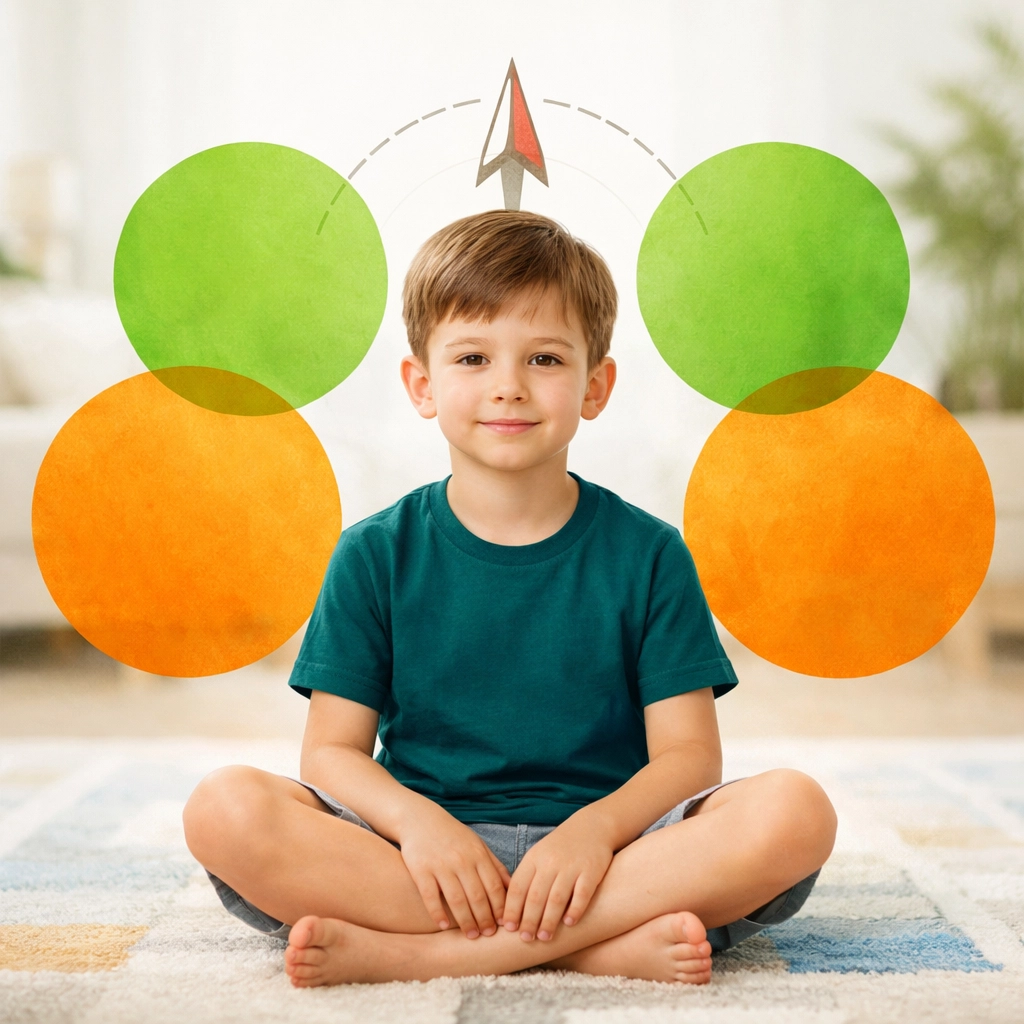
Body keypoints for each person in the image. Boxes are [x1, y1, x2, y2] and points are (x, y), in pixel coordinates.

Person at [182, 210, 837, 988]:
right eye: (471, 356)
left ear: (595, 386)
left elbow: (690, 757)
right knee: (222, 809)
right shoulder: (373, 554)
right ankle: (592, 950)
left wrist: (591, 836)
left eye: (545, 358)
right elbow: (330, 753)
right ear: (421, 385)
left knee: (796, 813)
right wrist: (421, 828)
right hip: (418, 861)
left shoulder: (652, 554)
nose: (508, 387)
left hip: (617, 855)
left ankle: (423, 956)